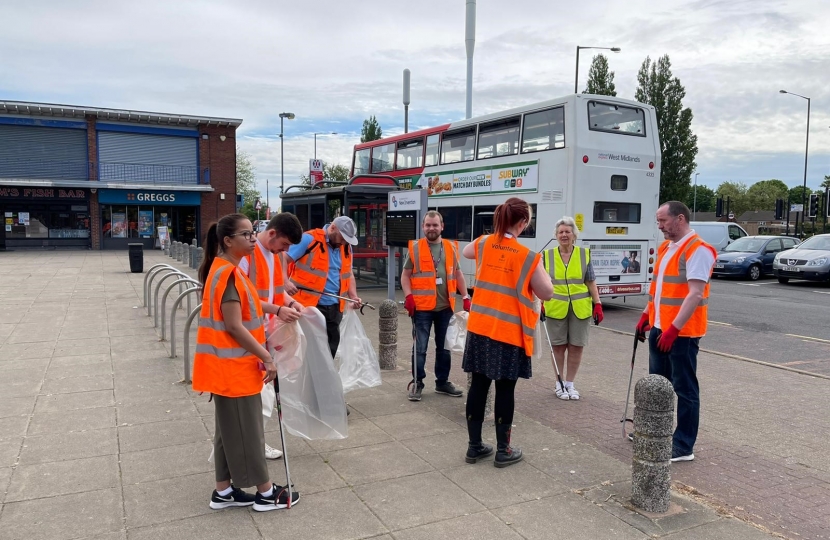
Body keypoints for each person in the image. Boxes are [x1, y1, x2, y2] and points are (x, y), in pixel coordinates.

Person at [193, 213, 299, 512]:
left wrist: (280, 308)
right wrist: (267, 358)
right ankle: (265, 493)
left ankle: (223, 491)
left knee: (227, 431)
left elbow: (251, 304)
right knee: (247, 431)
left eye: (254, 233)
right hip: (233, 367)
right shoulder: (228, 274)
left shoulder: (228, 269)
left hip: (231, 365)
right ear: (228, 241)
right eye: (246, 235)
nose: (254, 239)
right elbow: (234, 326)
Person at [461, 197, 554, 468]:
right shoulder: (528, 257)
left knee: (478, 386)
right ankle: (504, 450)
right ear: (523, 222)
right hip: (508, 332)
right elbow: (547, 291)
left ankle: (474, 446)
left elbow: (466, 251)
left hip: (480, 329)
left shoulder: (483, 243)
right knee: (505, 390)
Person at [635, 201, 716, 463]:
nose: (659, 227)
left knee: (684, 389)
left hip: (682, 334)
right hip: (661, 328)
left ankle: (683, 445)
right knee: (658, 385)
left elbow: (694, 294)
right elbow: (659, 288)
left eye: (663, 221)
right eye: (658, 222)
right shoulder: (666, 248)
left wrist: (674, 329)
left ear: (680, 219)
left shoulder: (698, 250)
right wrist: (648, 314)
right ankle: (657, 432)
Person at [238, 212, 304, 460]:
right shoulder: (248, 256)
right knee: (255, 391)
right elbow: (245, 298)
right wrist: (278, 309)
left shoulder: (277, 257)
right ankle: (249, 443)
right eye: (284, 244)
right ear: (273, 233)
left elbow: (276, 291)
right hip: (248, 333)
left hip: (266, 331)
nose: (285, 250)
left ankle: (255, 441)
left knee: (263, 390)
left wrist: (291, 302)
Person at [401, 210, 471, 401]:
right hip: (422, 308)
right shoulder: (415, 248)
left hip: (445, 307)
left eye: (435, 225)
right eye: (428, 225)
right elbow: (405, 276)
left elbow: (458, 274)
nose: (431, 228)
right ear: (423, 227)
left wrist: (465, 296)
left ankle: (442, 382)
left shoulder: (450, 247)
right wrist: (409, 297)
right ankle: (418, 382)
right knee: (420, 348)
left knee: (444, 348)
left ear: (442, 226)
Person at [542, 217, 603, 401]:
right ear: (556, 235)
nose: (564, 235)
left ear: (574, 235)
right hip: (555, 307)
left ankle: (570, 383)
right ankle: (559, 383)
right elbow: (540, 282)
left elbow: (591, 281)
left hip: (580, 308)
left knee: (576, 347)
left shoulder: (584, 254)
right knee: (558, 347)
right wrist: (540, 304)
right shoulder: (547, 255)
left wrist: (598, 304)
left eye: (568, 232)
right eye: (561, 232)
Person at [284, 215, 362, 358]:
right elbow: (282, 259)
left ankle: (324, 379)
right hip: (307, 306)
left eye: (347, 240)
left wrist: (353, 296)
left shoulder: (346, 247)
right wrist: (285, 281)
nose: (344, 242)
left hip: (335, 307)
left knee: (330, 347)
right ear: (333, 228)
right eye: (342, 238)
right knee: (306, 350)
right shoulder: (309, 239)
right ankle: (307, 379)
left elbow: (348, 273)